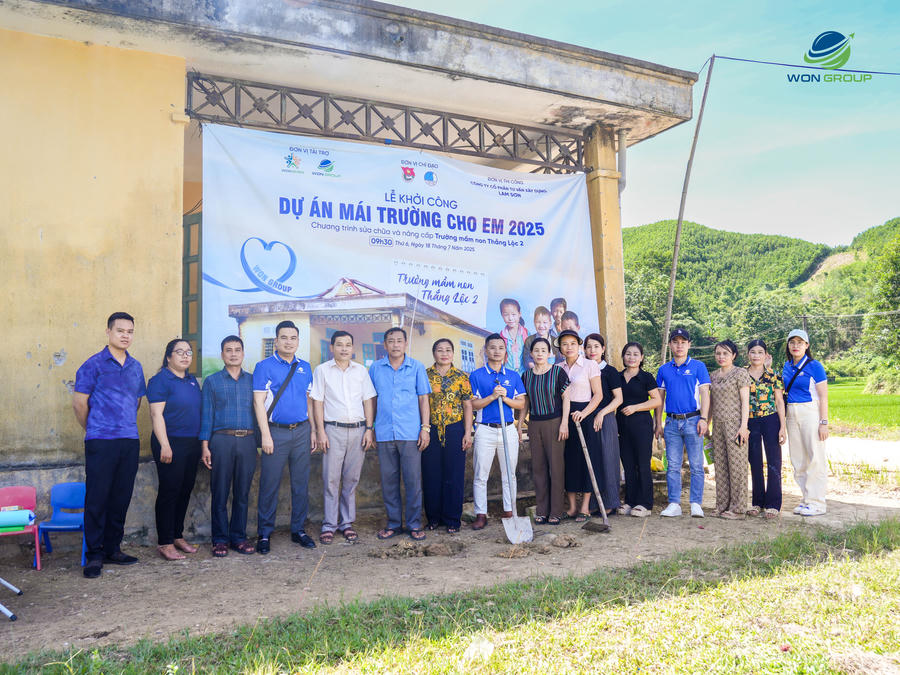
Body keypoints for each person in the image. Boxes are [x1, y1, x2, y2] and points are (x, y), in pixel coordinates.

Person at [72, 312, 146, 578]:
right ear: (108, 332)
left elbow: (137, 401)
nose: (125, 336)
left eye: (130, 331)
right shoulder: (93, 365)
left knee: (121, 497)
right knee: (97, 498)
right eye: (120, 331)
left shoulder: (136, 366)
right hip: (100, 441)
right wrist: (94, 428)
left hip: (129, 440)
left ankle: (113, 549)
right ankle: (94, 555)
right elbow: (80, 404)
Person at [253, 320, 317, 554]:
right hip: (275, 433)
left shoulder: (305, 367)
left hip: (301, 431)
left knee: (301, 484)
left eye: (293, 338)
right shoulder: (264, 366)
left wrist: (312, 430)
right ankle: (264, 533)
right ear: (276, 341)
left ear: (298, 341)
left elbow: (309, 401)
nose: (289, 342)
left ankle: (298, 530)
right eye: (284, 338)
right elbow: (258, 403)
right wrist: (265, 435)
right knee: (269, 484)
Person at [310, 331, 376, 544]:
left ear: (352, 348)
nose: (344, 348)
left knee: (351, 479)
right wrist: (320, 431)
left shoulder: (361, 371)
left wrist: (369, 428)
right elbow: (317, 402)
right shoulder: (322, 370)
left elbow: (368, 400)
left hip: (358, 430)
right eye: (339, 344)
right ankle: (329, 524)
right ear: (332, 348)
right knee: (331, 479)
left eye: (348, 344)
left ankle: (346, 523)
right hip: (333, 430)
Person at [369, 327, 432, 540]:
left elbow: (423, 398)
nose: (395, 345)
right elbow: (372, 400)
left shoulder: (416, 367)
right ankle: (394, 523)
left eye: (399, 341)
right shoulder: (375, 368)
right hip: (384, 432)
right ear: (384, 345)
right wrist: (370, 427)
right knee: (389, 481)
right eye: (391, 341)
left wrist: (425, 428)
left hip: (410, 432)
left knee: (413, 481)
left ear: (405, 344)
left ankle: (414, 524)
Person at [199, 335, 258, 557]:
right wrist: (205, 446)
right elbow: (207, 416)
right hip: (221, 440)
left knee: (242, 492)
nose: (233, 354)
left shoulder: (253, 381)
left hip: (248, 441)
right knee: (220, 492)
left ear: (243, 353)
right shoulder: (212, 381)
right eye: (228, 350)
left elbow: (260, 413)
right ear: (222, 354)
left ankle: (239, 538)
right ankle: (220, 540)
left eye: (237, 350)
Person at [146, 339, 202, 560]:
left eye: (188, 352)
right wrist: (165, 445)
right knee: (169, 492)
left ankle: (177, 535)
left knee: (185, 489)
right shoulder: (160, 380)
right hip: (170, 442)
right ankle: (165, 542)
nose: (185, 356)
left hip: (191, 442)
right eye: (179, 352)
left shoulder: (191, 381)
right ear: (168, 357)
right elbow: (156, 415)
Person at [468, 334, 527, 529]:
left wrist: (505, 398)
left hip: (508, 429)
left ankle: (509, 511)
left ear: (505, 352)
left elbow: (521, 403)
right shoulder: (476, 375)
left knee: (509, 473)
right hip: (485, 430)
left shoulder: (513, 376)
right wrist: (493, 396)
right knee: (481, 474)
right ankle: (481, 514)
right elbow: (474, 404)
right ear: (486, 350)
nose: (496, 351)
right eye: (492, 347)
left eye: (501, 348)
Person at [655, 328, 711, 518]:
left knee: (696, 465)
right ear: (670, 345)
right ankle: (674, 504)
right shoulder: (664, 369)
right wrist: (658, 423)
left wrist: (704, 419)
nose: (679, 346)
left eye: (683, 342)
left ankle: (696, 503)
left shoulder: (698, 366)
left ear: (689, 344)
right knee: (673, 465)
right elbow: (659, 399)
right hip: (671, 422)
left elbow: (705, 394)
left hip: (693, 420)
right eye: (675, 342)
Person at [422, 339, 474, 533]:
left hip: (455, 429)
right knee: (431, 475)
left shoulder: (461, 377)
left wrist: (467, 432)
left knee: (454, 475)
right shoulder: (425, 375)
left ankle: (452, 519)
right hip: (431, 430)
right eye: (440, 350)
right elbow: (421, 402)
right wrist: (424, 429)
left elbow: (467, 405)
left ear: (453, 353)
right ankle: (433, 518)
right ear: (433, 353)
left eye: (448, 350)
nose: (444, 354)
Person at [556, 330, 604, 522]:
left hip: (584, 415)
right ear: (560, 347)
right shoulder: (557, 368)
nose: (569, 347)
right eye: (565, 344)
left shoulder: (590, 365)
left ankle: (585, 507)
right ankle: (572, 507)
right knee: (569, 460)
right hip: (564, 417)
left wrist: (584, 413)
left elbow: (598, 395)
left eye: (573, 343)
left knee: (587, 460)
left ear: (579, 346)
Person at [522, 337, 569, 525]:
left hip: (554, 422)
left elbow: (566, 398)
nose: (540, 353)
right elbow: (525, 402)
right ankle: (542, 510)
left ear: (550, 353)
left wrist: (564, 423)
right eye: (536, 350)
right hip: (534, 424)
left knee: (556, 468)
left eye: (544, 350)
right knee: (538, 468)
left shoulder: (558, 372)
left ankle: (556, 511)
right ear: (531, 353)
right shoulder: (526, 376)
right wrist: (520, 425)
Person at [782, 329, 829, 516]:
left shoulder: (814, 366)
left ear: (807, 345)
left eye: (800, 342)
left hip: (810, 412)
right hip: (791, 413)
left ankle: (817, 503)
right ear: (788, 345)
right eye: (792, 342)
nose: (796, 346)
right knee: (798, 459)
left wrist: (823, 422)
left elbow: (823, 397)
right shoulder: (786, 366)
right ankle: (806, 499)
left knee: (815, 457)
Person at [616, 342, 661, 517]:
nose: (631, 357)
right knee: (628, 465)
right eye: (628, 354)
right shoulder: (618, 377)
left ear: (641, 358)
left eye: (636, 354)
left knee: (642, 464)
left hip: (642, 426)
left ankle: (645, 504)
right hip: (622, 426)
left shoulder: (646, 377)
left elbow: (656, 400)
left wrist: (636, 407)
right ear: (623, 356)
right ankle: (630, 501)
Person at [708, 340, 751, 519]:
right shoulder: (712, 376)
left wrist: (744, 426)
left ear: (733, 355)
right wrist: (707, 423)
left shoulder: (740, 373)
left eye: (725, 353)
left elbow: (745, 402)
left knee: (737, 466)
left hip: (736, 425)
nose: (721, 357)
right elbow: (711, 403)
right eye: (718, 353)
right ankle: (722, 505)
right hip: (717, 425)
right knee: (720, 466)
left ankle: (738, 509)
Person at [745, 339, 786, 519]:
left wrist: (782, 426)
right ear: (748, 354)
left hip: (771, 420)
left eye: (760, 352)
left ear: (765, 355)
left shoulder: (773, 375)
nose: (756, 356)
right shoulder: (742, 374)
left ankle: (773, 504)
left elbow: (779, 401)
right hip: (750, 421)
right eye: (753, 352)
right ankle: (757, 502)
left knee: (773, 461)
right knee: (754, 461)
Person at [583, 333, 624, 515]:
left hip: (605, 418)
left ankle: (610, 502)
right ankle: (593, 503)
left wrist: (602, 412)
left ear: (603, 349)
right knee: (592, 460)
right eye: (588, 347)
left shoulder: (610, 371)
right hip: (587, 416)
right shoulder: (583, 369)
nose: (592, 350)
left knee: (608, 458)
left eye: (596, 346)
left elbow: (618, 399)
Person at [498, 298, 528, 372]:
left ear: (519, 314)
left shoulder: (526, 333)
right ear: (502, 315)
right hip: (508, 374)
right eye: (506, 315)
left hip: (524, 373)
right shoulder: (501, 337)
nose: (510, 318)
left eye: (513, 314)